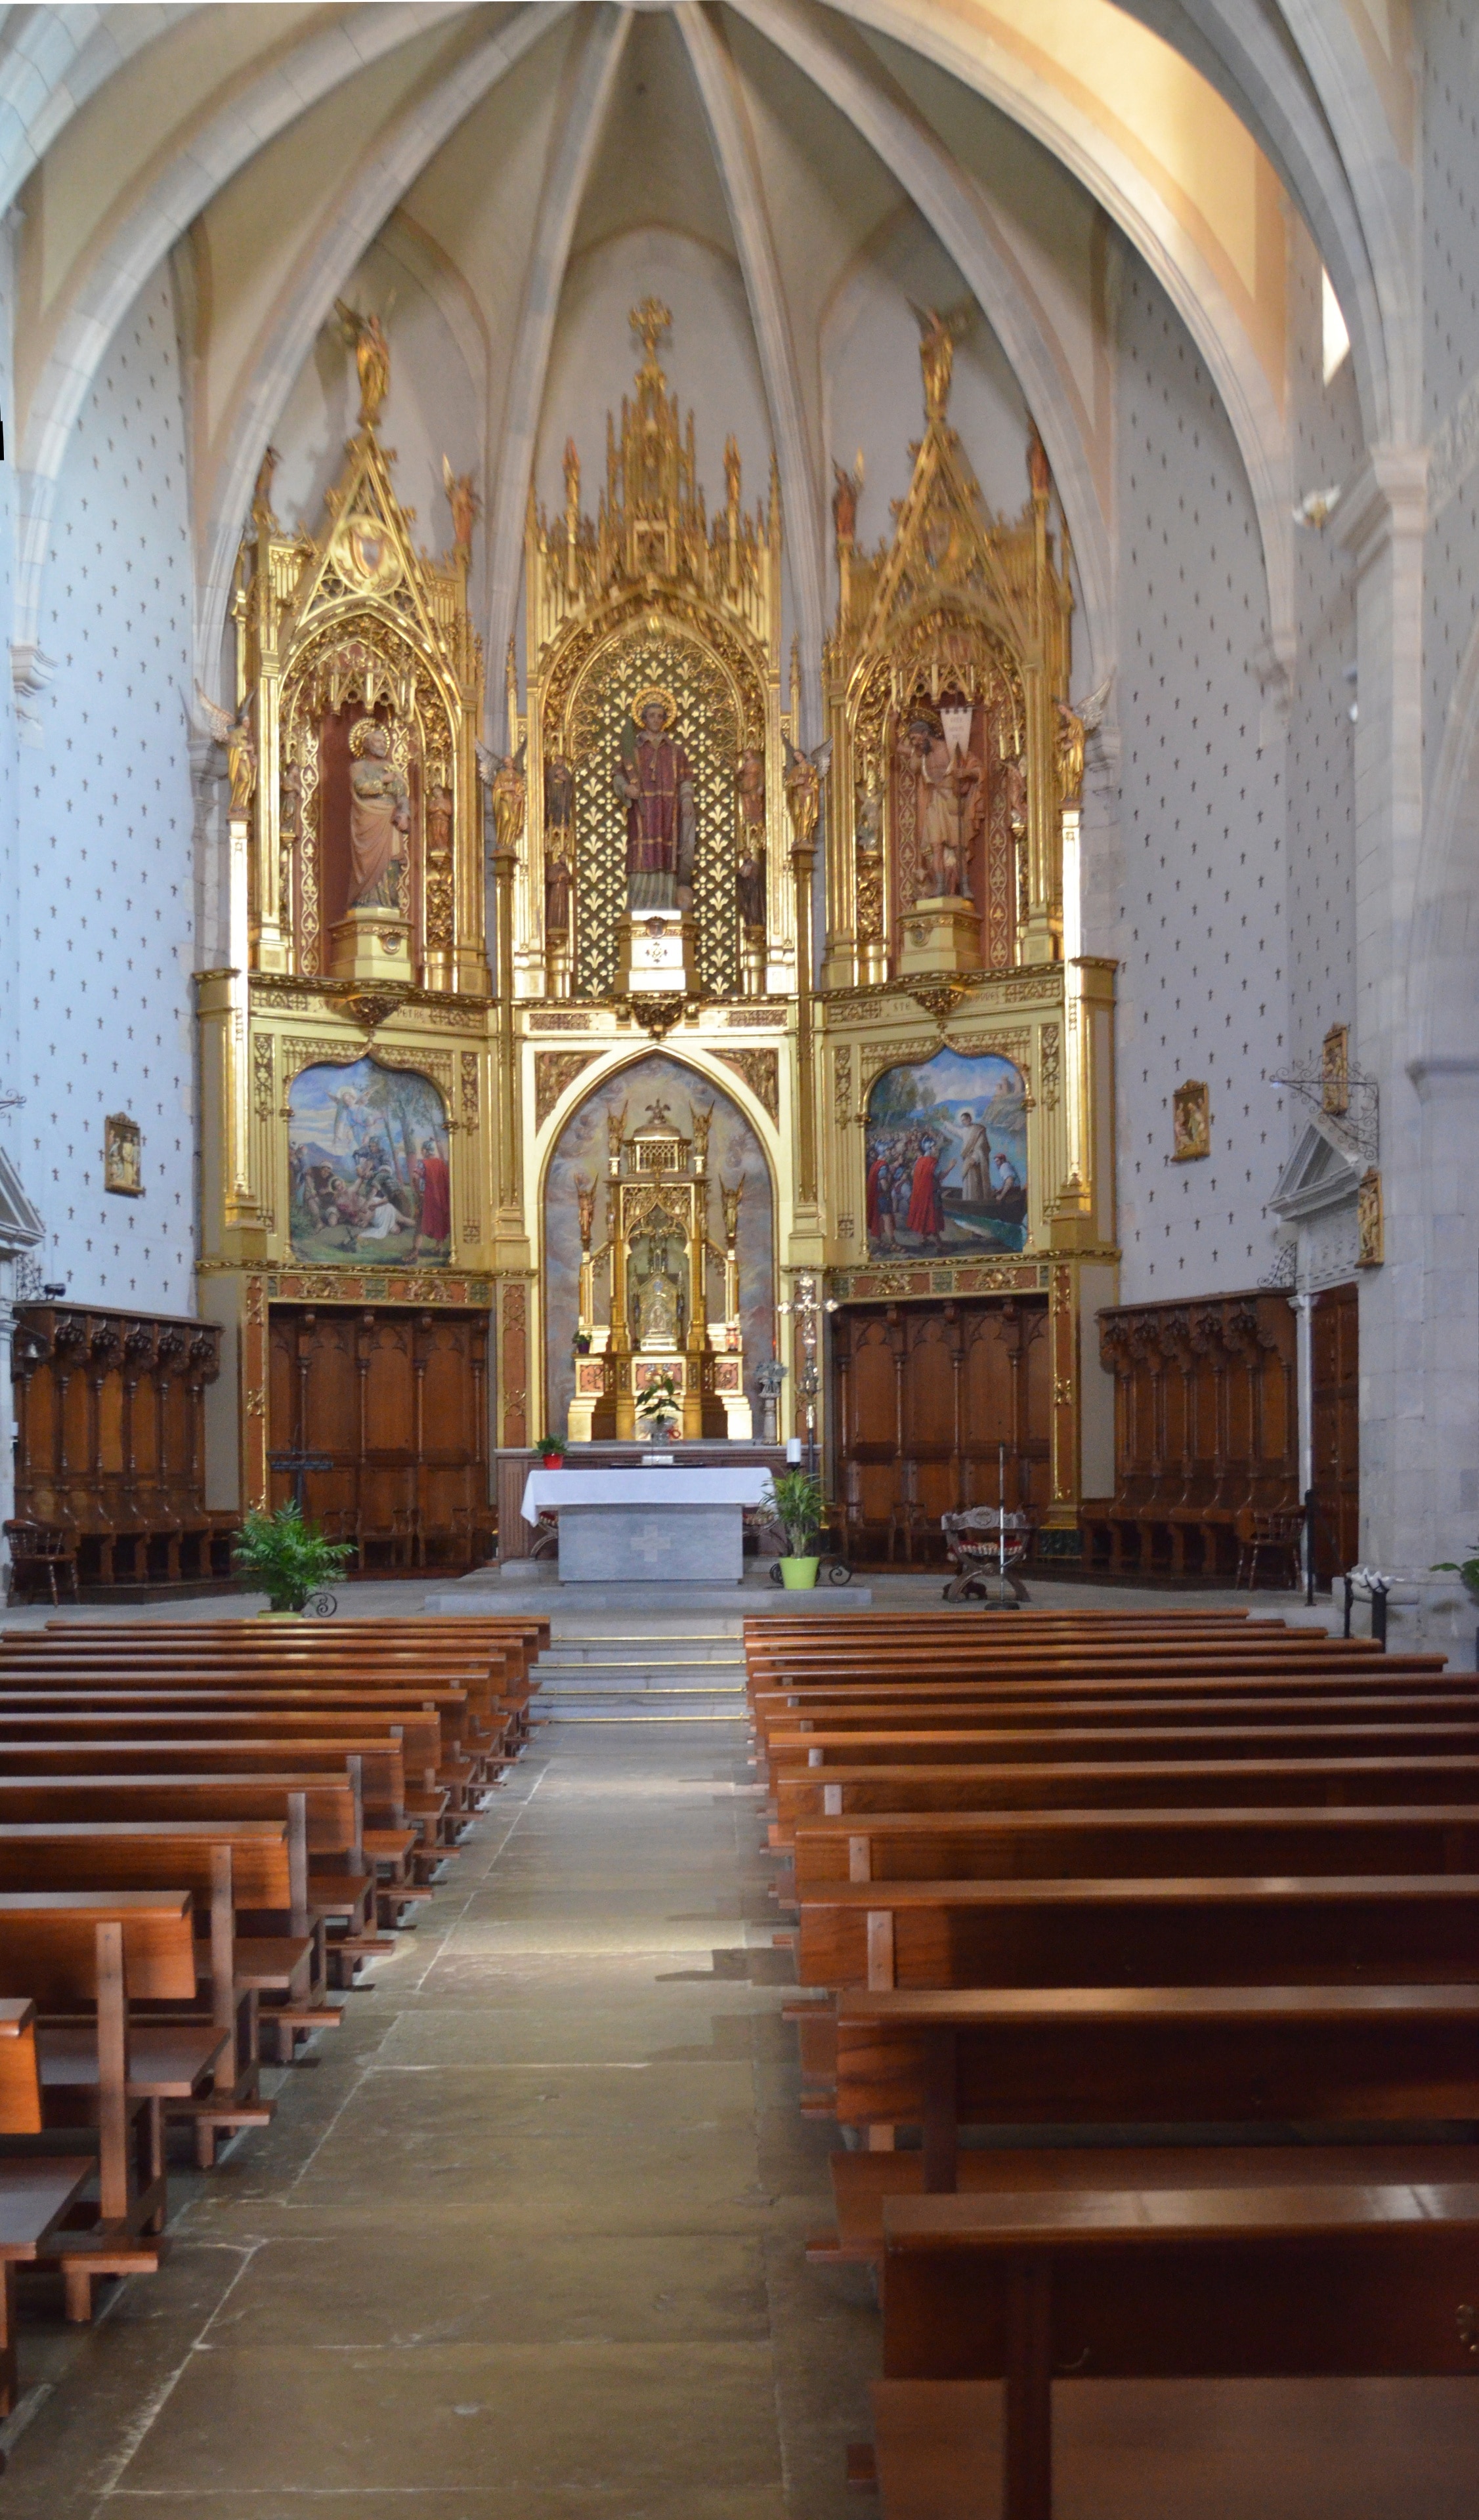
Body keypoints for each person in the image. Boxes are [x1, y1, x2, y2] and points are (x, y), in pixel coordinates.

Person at [614, 695, 695, 910]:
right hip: (642, 813)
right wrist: (626, 789)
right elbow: (619, 777)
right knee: (642, 855)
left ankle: (665, 905)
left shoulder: (676, 752)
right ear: (644, 719)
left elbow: (686, 780)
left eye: (660, 716)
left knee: (666, 856)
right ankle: (640, 906)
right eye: (652, 716)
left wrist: (687, 799)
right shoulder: (634, 750)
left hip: (668, 812)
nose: (656, 720)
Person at [347, 721, 410, 909]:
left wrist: (405, 814)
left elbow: (402, 794)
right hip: (368, 823)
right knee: (368, 866)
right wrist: (384, 780)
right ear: (366, 744)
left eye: (384, 741)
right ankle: (367, 901)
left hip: (390, 822)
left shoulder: (392, 768)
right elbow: (361, 786)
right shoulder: (358, 767)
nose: (382, 744)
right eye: (377, 741)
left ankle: (388, 903)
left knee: (390, 864)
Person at [412, 1137, 451, 1255]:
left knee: (420, 1224)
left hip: (426, 1198)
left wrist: (418, 1192)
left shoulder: (423, 1163)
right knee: (440, 1223)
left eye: (423, 1150)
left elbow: (415, 1177)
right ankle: (438, 1247)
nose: (422, 1152)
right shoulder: (441, 1163)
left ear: (426, 1150)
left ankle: (415, 1251)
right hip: (440, 1199)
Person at [906, 1132, 945, 1248]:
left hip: (920, 1194)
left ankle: (924, 1239)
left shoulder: (919, 1161)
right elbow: (940, 1177)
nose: (936, 1149)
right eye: (934, 1147)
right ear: (930, 1148)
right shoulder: (933, 1162)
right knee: (933, 1217)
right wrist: (951, 1167)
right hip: (931, 1194)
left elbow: (913, 1174)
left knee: (924, 1215)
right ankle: (940, 1246)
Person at [866, 1139, 897, 1246]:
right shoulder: (883, 1165)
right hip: (883, 1196)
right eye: (888, 1150)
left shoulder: (876, 1164)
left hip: (877, 1196)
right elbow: (884, 1184)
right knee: (887, 1219)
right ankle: (893, 1243)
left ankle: (879, 1241)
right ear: (883, 1151)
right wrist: (890, 1179)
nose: (891, 1152)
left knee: (878, 1218)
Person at [958, 1110, 991, 1206]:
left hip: (975, 1162)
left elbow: (981, 1146)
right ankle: (967, 1203)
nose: (963, 1122)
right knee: (967, 1183)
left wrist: (975, 1158)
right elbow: (955, 1130)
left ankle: (975, 1203)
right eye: (962, 1121)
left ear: (969, 1119)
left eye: (964, 1120)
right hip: (967, 1160)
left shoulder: (978, 1130)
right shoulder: (964, 1131)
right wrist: (945, 1122)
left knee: (975, 1183)